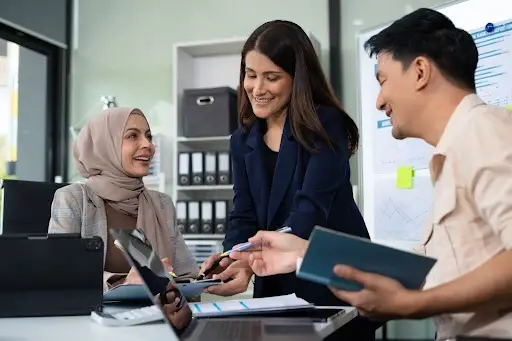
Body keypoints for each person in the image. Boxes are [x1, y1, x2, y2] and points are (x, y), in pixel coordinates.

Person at [232, 8, 512, 340]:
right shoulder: (455, 154)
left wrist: (414, 304)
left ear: (420, 72)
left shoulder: (486, 132)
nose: (379, 102)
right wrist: (300, 254)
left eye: (383, 81)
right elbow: (436, 268)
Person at [200, 17, 369, 314]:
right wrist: (232, 257)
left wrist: (249, 259)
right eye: (250, 75)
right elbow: (243, 213)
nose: (257, 88)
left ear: (297, 78)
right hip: (274, 287)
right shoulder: (242, 140)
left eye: (272, 77)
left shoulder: (325, 125)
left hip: (329, 282)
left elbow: (309, 211)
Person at [48, 107, 199, 292]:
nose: (148, 145)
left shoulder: (162, 204)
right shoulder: (73, 200)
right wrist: (121, 283)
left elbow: (187, 275)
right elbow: (60, 274)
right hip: (91, 319)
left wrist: (210, 276)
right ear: (105, 145)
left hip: (157, 315)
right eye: (132, 136)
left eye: (148, 136)